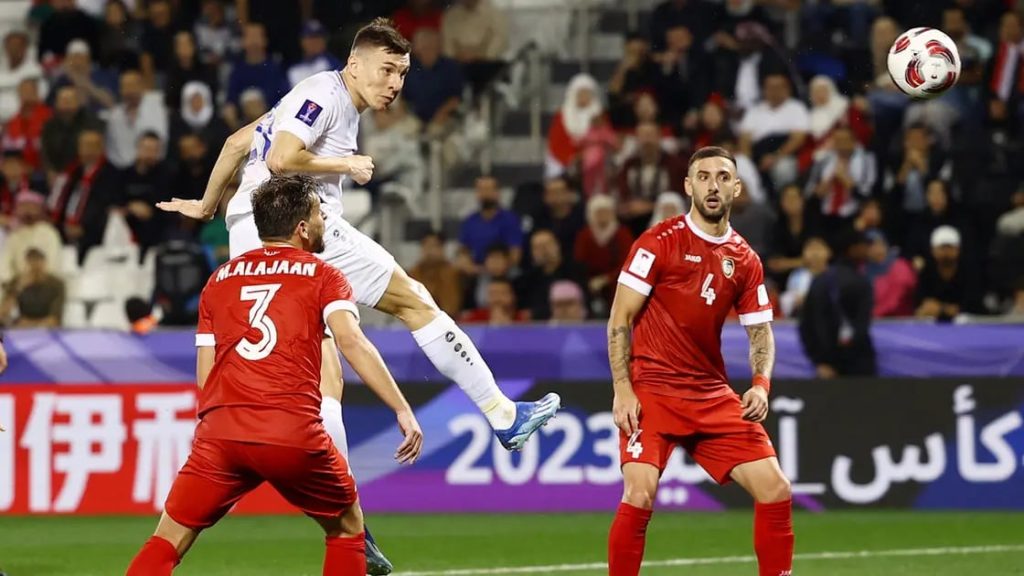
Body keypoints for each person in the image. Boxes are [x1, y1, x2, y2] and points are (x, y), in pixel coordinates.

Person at [156, 18, 560, 573]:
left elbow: (236, 143)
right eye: (387, 70)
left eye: (403, 73)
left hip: (252, 233)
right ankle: (500, 413)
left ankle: (356, 532)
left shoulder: (306, 100)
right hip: (295, 227)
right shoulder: (326, 94)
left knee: (327, 376)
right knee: (413, 301)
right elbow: (280, 160)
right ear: (355, 65)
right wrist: (344, 163)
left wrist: (206, 207)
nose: (395, 83)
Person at [125, 174, 424, 576]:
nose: (323, 221)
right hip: (291, 432)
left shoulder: (219, 280)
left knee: (168, 538)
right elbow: (352, 342)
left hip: (221, 434)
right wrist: (401, 408)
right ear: (302, 228)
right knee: (348, 528)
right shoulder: (324, 275)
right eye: (318, 214)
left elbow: (205, 375)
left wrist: (224, 425)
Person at [606, 146, 793, 576]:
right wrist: (622, 388)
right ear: (688, 186)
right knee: (639, 494)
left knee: (776, 488)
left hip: (709, 392)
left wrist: (761, 384)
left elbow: (761, 331)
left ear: (736, 188)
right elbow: (620, 318)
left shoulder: (745, 259)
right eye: (704, 177)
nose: (713, 185)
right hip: (653, 390)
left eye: (723, 177)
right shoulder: (658, 242)